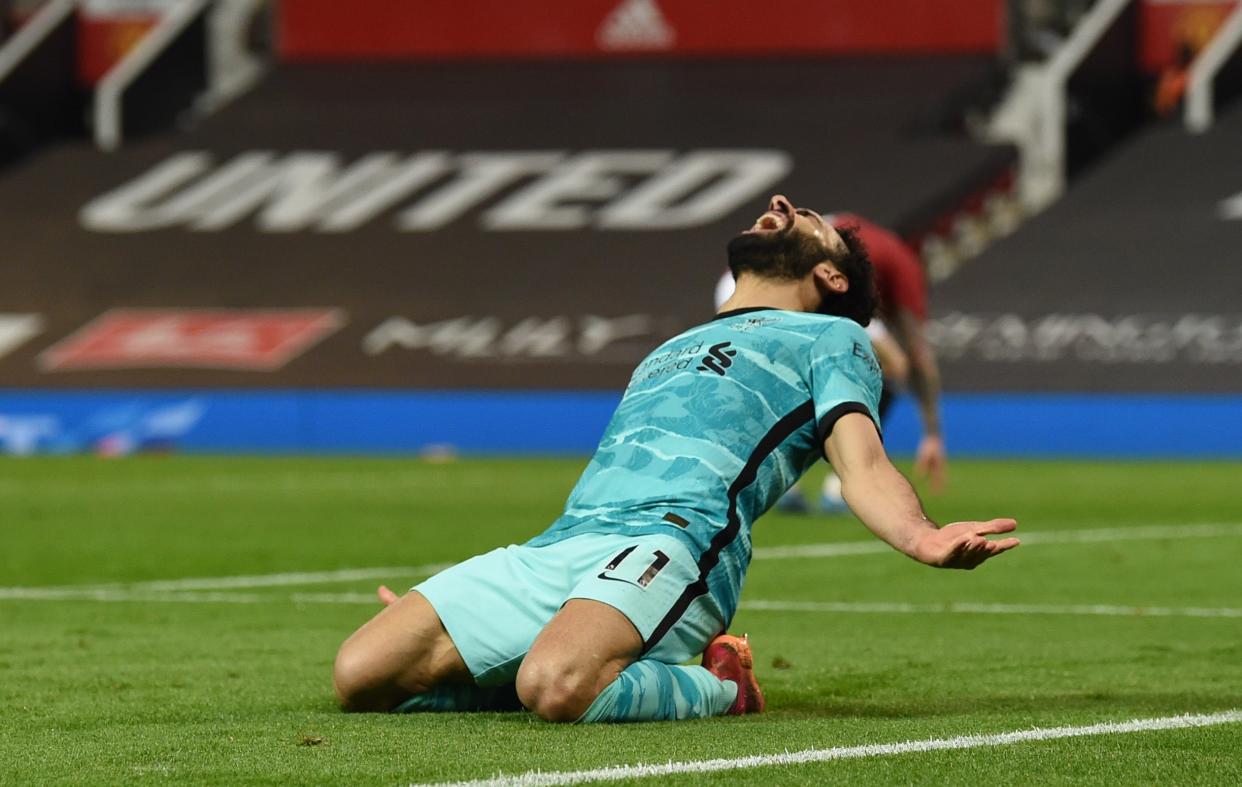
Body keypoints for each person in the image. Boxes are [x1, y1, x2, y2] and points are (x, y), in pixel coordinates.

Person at [332, 194, 1019, 724]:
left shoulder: (831, 340)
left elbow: (862, 463)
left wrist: (922, 535)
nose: (781, 205)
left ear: (830, 274)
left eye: (807, 217)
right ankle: (521, 658)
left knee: (556, 684)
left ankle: (722, 685)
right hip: (564, 541)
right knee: (361, 673)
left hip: (677, 539)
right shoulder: (670, 346)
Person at [714, 210, 946, 512]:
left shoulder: (839, 228)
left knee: (778, 377)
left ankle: (779, 482)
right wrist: (932, 434)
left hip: (735, 287)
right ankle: (844, 484)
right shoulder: (901, 263)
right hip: (796, 292)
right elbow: (918, 356)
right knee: (891, 366)